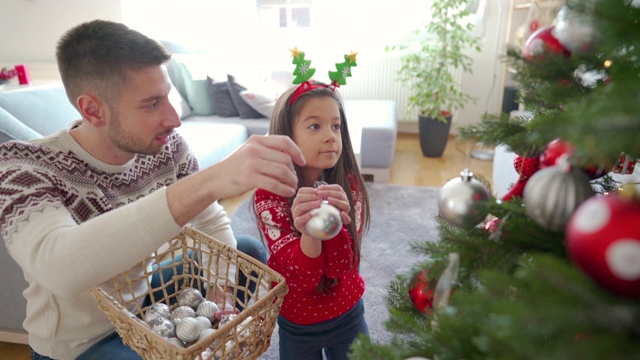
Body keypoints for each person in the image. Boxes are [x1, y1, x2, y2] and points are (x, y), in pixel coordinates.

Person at [0, 20, 305, 360]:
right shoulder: (25, 166)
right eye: (152, 103)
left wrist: (223, 289)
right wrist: (208, 181)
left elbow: (209, 217)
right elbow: (58, 268)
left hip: (140, 308)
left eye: (169, 97)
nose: (174, 118)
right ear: (93, 110)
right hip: (80, 344)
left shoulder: (167, 147)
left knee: (245, 252)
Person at [253, 80, 372, 360]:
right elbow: (303, 279)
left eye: (336, 126)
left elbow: (342, 268)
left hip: (348, 313)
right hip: (299, 324)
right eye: (315, 126)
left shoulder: (349, 186)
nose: (331, 136)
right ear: (286, 138)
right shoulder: (269, 197)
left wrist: (338, 225)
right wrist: (310, 233)